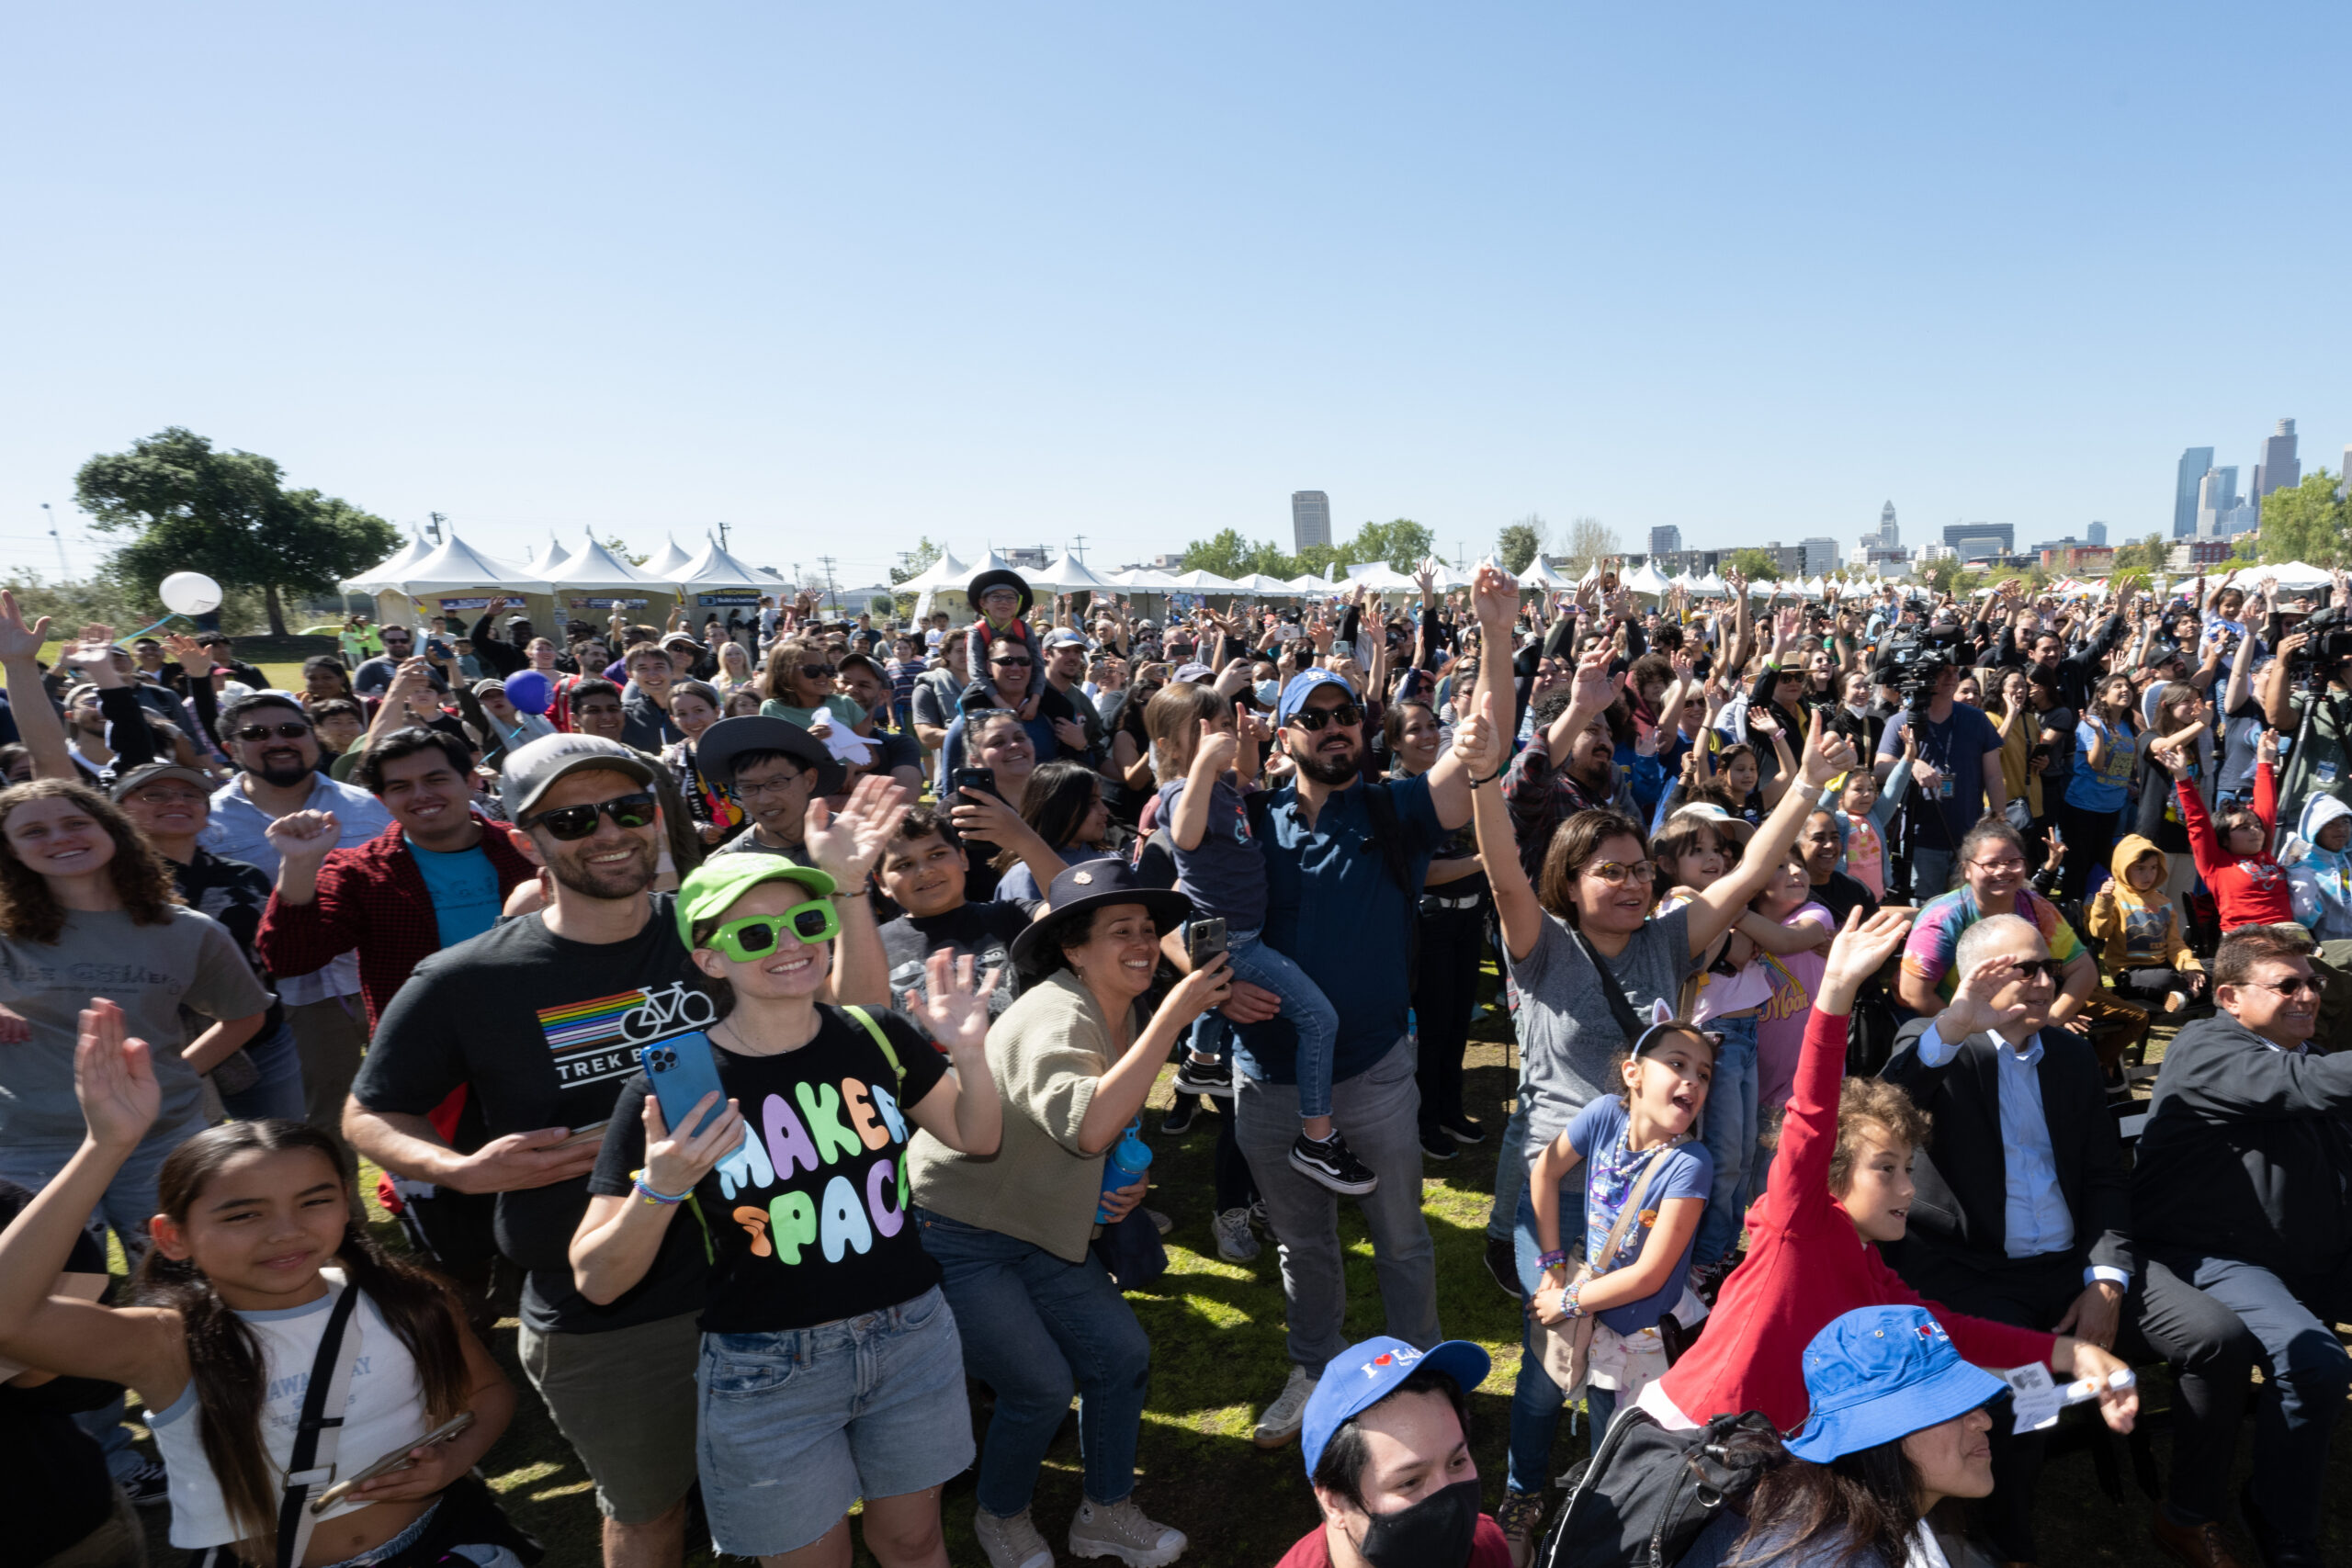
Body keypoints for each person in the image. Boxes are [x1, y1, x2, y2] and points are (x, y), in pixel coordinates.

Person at [343, 736, 889, 1568]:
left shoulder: (713, 928)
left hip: (765, 1268)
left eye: (630, 808)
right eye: (572, 817)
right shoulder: (465, 979)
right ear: (526, 839)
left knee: (792, 1494)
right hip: (610, 1310)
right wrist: (459, 1168)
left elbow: (850, 1031)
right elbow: (369, 1111)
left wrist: (847, 887)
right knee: (650, 1508)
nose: (609, 832)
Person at [1462, 675, 1853, 1553]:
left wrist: (1806, 787)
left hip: (1649, 1184)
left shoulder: (1667, 941)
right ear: (1572, 879)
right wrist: (1486, 781)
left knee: (1636, 1343)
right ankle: (1528, 1492)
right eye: (1612, 871)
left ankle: (1616, 1494)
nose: (1635, 884)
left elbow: (1750, 869)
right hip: (1556, 1186)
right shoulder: (1541, 946)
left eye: (1643, 869)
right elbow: (1500, 872)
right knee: (1552, 1350)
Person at [571, 855, 1006, 1567]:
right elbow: (597, 1278)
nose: (790, 944)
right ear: (709, 956)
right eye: (754, 934)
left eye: (807, 921)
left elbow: (977, 1136)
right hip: (769, 1367)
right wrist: (664, 1186)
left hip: (912, 1336)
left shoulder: (876, 1035)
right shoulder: (677, 1081)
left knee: (916, 1541)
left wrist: (969, 1053)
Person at [0, 1005, 535, 1568]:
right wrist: (104, 1147)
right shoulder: (166, 1343)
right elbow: (9, 1319)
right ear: (173, 1237)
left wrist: (455, 1459)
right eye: (243, 1215)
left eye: (315, 1201)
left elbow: (488, 1394)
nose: (287, 1232)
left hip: (445, 1543)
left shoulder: (406, 1298)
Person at [1204, 568, 1505, 1458]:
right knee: (1303, 1244)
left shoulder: (1391, 809)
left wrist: (1492, 634)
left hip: (1372, 1072)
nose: (1336, 729)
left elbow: (1475, 756)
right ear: (1286, 733)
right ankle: (1315, 1366)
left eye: (1347, 716)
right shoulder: (1244, 819)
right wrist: (1216, 983)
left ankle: (1419, 1372)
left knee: (1403, 1239)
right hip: (1263, 1078)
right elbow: (1179, 913)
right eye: (1317, 717)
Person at [1640, 908, 2135, 1444]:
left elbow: (1950, 1332)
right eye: (1885, 1169)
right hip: (1703, 1448)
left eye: (1910, 1170)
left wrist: (2071, 1352)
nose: (1907, 1189)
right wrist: (1836, 989)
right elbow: (1812, 1110)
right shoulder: (1797, 1227)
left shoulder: (1874, 1273)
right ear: (1833, 1170)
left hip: (1790, 1454)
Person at [909, 859, 1231, 1568]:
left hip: (1044, 1227)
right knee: (1040, 1387)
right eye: (1121, 930)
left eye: (1148, 928)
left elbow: (1099, 1136)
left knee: (1120, 1356)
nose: (1143, 942)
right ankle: (1001, 1515)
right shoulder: (1056, 1013)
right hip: (961, 1233)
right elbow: (1087, 1124)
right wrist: (1180, 1011)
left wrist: (1118, 1188)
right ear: (1073, 949)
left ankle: (1105, 1513)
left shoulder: (1122, 1004)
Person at [1880, 913, 2133, 1566]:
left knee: (2211, 1335)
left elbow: (2107, 1174)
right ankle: (2006, 1547)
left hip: (2071, 1264)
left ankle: (2188, 1513)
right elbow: (1881, 1114)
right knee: (2018, 1397)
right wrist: (1953, 1023)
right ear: (1975, 979)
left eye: (2046, 965)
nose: (2044, 979)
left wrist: (2105, 1278)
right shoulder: (1939, 1044)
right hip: (1973, 1272)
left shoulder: (2072, 1054)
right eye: (2024, 967)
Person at [2128, 926, 2352, 1568]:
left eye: (2314, 981)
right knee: (2316, 1362)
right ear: (2228, 995)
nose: (2308, 994)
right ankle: (2281, 1518)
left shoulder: (2302, 1053)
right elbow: (2302, 1091)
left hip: (2310, 1246)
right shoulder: (2206, 1046)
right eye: (2288, 984)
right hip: (2211, 1256)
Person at [0, 778, 271, 1245]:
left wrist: (174, 1074)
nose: (60, 838)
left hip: (162, 1139)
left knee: (185, 1284)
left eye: (75, 823)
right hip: (31, 1146)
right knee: (58, 1300)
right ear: (11, 852)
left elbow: (244, 1015)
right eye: (34, 832)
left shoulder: (188, 931)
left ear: (112, 829)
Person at [1148, 682, 1363, 1193]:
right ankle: (1316, 1136)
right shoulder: (1183, 791)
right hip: (1235, 940)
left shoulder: (1219, 786)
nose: (1218, 736)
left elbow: (1245, 776)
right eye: (1203, 730)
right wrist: (1202, 766)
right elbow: (1184, 835)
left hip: (1231, 932)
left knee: (1282, 1009)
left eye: (1221, 724)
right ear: (1171, 746)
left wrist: (1245, 743)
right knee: (1318, 1019)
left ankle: (1201, 1064)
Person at [200, 690, 394, 1132]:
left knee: (413, 1103)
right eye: (256, 734)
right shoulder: (209, 824)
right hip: (284, 1004)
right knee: (318, 1129)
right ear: (230, 748)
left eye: (291, 730)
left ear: (314, 737)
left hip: (380, 983)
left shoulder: (367, 808)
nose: (278, 740)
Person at [1699, 1305, 2007, 1568]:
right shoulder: (1831, 1555)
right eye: (1950, 1406)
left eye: (1974, 1402)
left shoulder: (1832, 1511)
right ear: (1877, 1433)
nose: (1985, 1421)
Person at [1525, 1018, 1714, 1440]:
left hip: (1645, 1342)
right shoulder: (1604, 1115)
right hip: (1597, 1325)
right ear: (1634, 1074)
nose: (1692, 1081)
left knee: (1629, 1447)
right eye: (1678, 1064)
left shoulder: (1691, 1165)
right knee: (1593, 1429)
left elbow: (1650, 1275)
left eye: (1703, 1074)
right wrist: (1553, 1263)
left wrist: (1569, 1300)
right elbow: (1544, 1172)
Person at [110, 761, 308, 1122]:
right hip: (164, 1048)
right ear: (119, 809)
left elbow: (277, 952)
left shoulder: (243, 876)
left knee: (281, 1145)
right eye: (155, 794)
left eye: (192, 795)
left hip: (264, 1039)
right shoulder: (107, 886)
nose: (177, 802)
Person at [1283, 1337, 1512, 1568]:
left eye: (1456, 1462)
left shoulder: (1486, 1545)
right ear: (1334, 1503)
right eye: (1410, 1481)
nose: (1450, 1504)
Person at [1385, 697, 1491, 1160]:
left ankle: (1450, 1108)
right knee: (1431, 1026)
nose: (1428, 735)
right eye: (1414, 730)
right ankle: (1424, 1120)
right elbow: (1420, 871)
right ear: (1394, 742)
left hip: (1469, 916)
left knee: (1456, 1022)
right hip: (1430, 920)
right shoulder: (1395, 793)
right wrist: (1487, 862)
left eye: (1432, 725)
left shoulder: (1455, 783)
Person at [1872, 659, 2006, 899]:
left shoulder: (1977, 719)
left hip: (1969, 837)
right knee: (1927, 913)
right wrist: (1911, 764)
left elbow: (1994, 776)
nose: (1952, 677)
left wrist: (1999, 819)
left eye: (1955, 671)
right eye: (1943, 672)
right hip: (1922, 839)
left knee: (1967, 909)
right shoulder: (1902, 721)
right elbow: (1880, 769)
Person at [2173, 727, 2292, 932]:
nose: (2255, 831)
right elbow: (2198, 822)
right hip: (2246, 939)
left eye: (2256, 826)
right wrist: (2182, 778)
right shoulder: (2216, 864)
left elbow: (2267, 810)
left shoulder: (2264, 854)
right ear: (2225, 839)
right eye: (2244, 828)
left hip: (2288, 933)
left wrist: (2265, 760)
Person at [2087, 835, 2206, 1015]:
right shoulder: (2113, 897)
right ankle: (2189, 993)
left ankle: (2183, 994)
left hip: (2161, 967)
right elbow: (2099, 931)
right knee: (2166, 979)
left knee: (2208, 970)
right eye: (2140, 869)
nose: (2148, 875)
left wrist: (2190, 967)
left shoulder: (2163, 902)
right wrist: (2104, 901)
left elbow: (2175, 944)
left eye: (2153, 868)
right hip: (2129, 972)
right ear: (2123, 868)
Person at [2052, 673, 2139, 901]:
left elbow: (2123, 764)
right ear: (2101, 695)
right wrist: (2100, 733)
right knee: (2077, 869)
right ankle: (2071, 919)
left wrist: (2126, 782)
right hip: (2083, 806)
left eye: (2128, 686)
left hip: (2112, 807)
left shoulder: (2127, 725)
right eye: (2117, 686)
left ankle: (2094, 921)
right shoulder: (2092, 723)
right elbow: (2096, 764)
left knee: (2101, 869)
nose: (2125, 690)